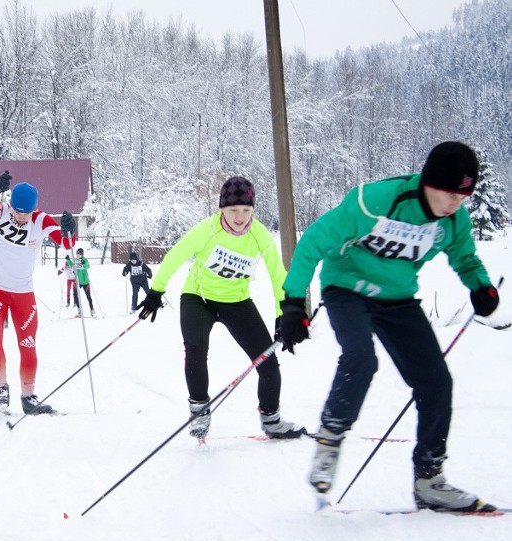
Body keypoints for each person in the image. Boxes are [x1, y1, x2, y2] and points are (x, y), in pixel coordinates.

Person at [279, 141, 499, 512]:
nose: (455, 203)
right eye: (449, 193)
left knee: (436, 382)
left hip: (397, 298)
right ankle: (331, 438)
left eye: (463, 196)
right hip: (347, 286)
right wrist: (292, 302)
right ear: (429, 182)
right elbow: (314, 241)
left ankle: (429, 478)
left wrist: (481, 286)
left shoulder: (453, 220)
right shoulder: (374, 201)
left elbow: (465, 258)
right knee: (361, 358)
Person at [137, 176, 306, 441]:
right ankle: (199, 411)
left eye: (246, 210)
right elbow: (175, 256)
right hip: (198, 299)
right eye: (233, 210)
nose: (240, 217)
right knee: (195, 348)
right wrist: (156, 290)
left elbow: (278, 276)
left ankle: (272, 420)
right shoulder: (207, 230)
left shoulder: (259, 234)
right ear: (222, 209)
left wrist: (282, 317)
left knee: (268, 362)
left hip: (236, 302)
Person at [0, 171, 76, 414]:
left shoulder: (40, 220)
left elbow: (67, 244)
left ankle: (28, 397)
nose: (20, 217)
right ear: (10, 206)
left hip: (22, 293)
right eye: (17, 212)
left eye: (25, 213)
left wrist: (69, 230)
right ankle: (1, 390)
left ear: (34, 210)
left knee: (28, 344)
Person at [70, 248, 96, 317]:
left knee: (88, 296)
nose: (77, 255)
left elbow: (88, 266)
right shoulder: (75, 260)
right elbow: (72, 265)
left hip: (85, 282)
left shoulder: (85, 260)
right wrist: (68, 260)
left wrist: (84, 263)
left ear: (82, 254)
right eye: (77, 254)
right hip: (77, 281)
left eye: (79, 254)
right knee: (75, 295)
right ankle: (79, 311)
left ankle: (92, 310)